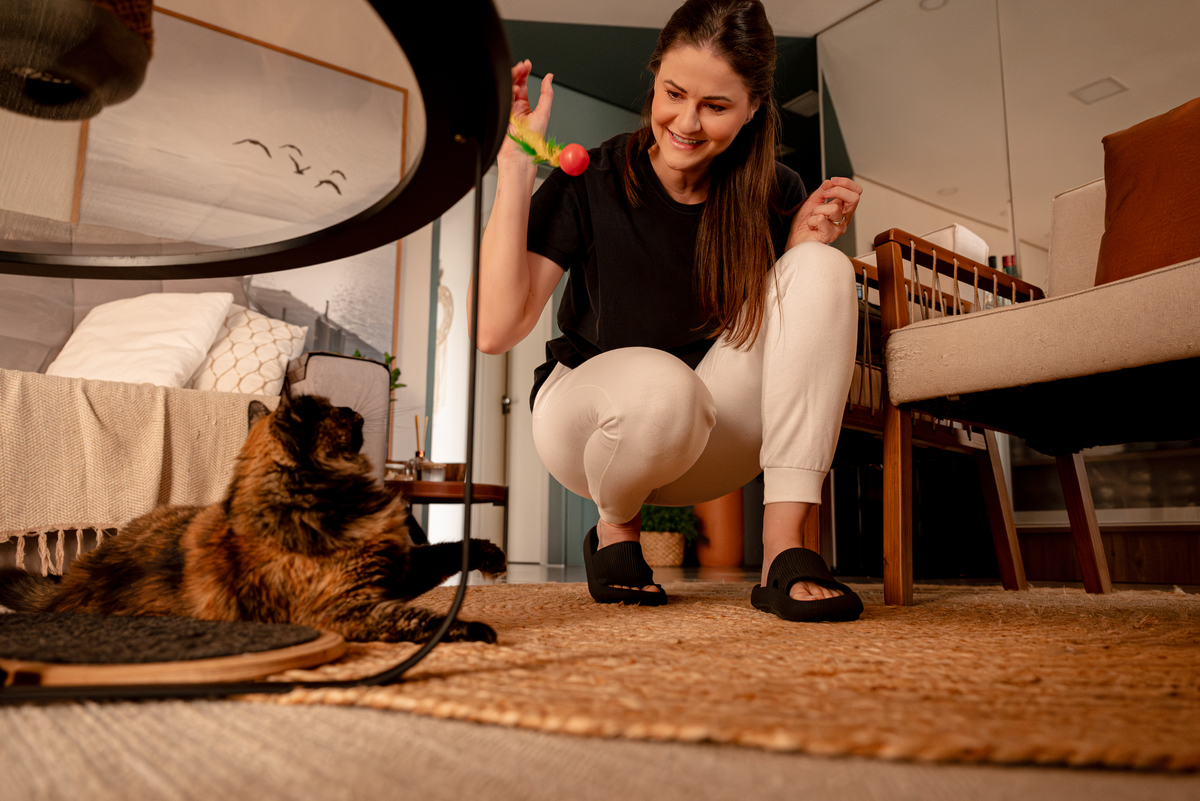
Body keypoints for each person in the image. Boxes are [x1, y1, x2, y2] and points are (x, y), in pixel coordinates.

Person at [478, 0, 865, 622]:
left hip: (711, 436)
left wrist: (796, 255)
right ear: (655, 77)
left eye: (715, 106)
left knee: (823, 267)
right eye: (673, 94)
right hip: (588, 429)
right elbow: (496, 331)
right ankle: (615, 530)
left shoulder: (776, 192)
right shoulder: (593, 177)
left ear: (752, 108)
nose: (686, 122)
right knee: (664, 387)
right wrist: (516, 166)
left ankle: (783, 550)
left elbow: (774, 345)